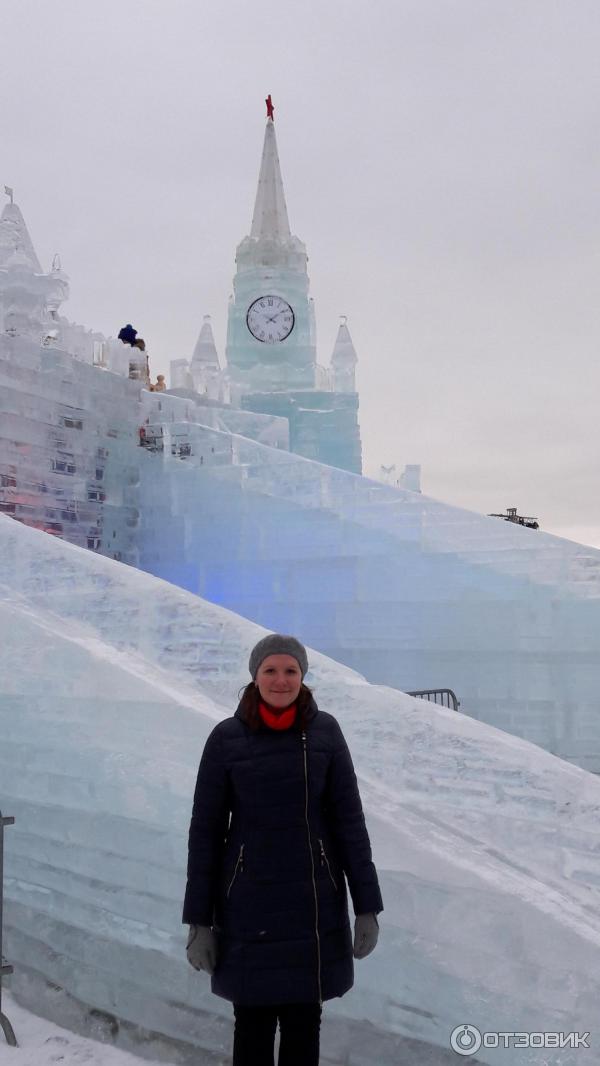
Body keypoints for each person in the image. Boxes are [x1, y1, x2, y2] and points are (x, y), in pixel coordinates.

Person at [183, 633, 383, 1066]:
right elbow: (205, 833)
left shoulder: (325, 732)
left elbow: (350, 822)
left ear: (303, 676)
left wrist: (367, 905)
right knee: (251, 1026)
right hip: (247, 905)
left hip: (313, 904)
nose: (280, 680)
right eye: (270, 670)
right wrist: (199, 920)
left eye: (290, 670)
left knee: (303, 1025)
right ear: (255, 677)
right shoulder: (226, 739)